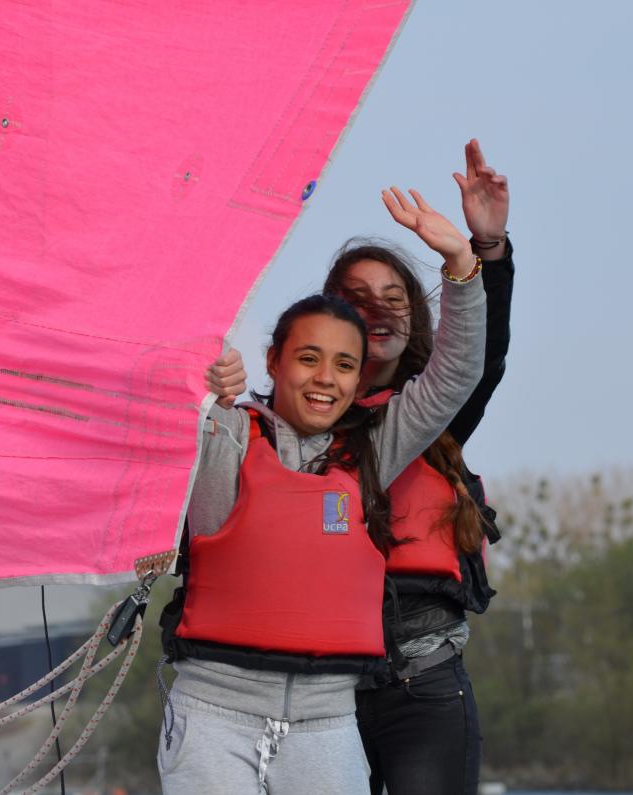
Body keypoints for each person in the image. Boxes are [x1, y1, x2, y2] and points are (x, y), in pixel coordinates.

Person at [205, 139, 513, 795]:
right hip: (313, 689)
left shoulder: (422, 421)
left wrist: (481, 254)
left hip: (418, 678)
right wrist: (213, 387)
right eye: (356, 298)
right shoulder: (261, 434)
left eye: (392, 297)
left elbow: (472, 362)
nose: (376, 309)